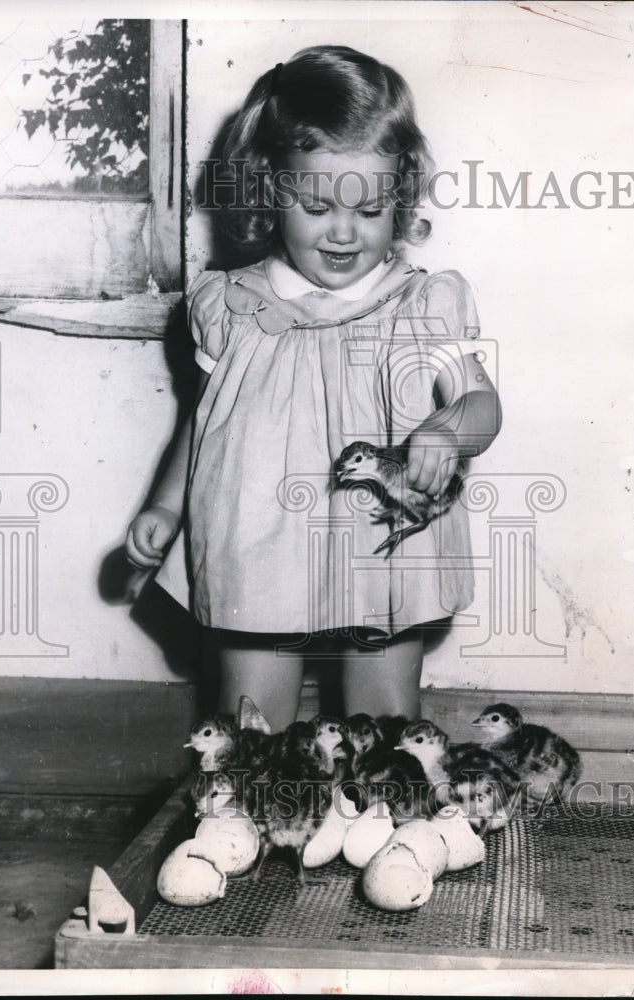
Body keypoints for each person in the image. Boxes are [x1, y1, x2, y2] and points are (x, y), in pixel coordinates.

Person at [126, 45, 501, 731]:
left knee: (383, 709)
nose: (343, 231)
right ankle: (245, 817)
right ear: (271, 191)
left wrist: (448, 431)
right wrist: (165, 506)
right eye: (317, 204)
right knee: (249, 711)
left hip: (382, 541)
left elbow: (480, 401)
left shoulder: (424, 305)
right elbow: (204, 421)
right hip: (256, 534)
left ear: (401, 198)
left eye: (369, 209)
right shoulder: (230, 305)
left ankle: (386, 815)